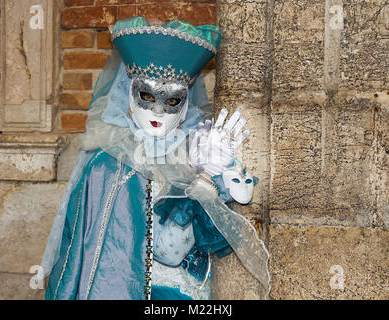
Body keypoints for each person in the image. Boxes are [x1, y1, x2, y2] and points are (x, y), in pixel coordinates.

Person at [41, 16, 270, 300]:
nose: (159, 112)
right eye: (147, 96)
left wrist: (217, 181)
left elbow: (206, 244)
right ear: (128, 97)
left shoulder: (196, 153)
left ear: (185, 105)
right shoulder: (106, 166)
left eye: (172, 100)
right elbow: (154, 253)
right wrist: (204, 184)